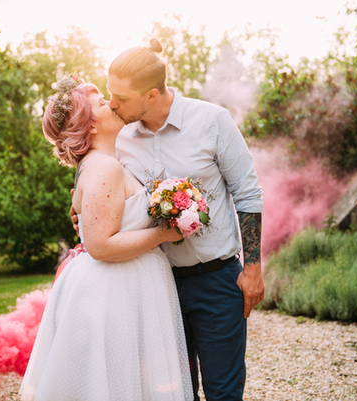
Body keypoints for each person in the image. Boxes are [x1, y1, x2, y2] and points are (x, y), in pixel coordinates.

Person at [73, 39, 264, 401]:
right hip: (155, 286)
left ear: (152, 94)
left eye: (121, 97)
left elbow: (248, 193)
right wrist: (81, 208)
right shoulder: (120, 137)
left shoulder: (213, 121)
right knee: (171, 393)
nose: (112, 104)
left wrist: (252, 266)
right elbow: (106, 192)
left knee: (224, 392)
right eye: (109, 95)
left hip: (216, 280)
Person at [19, 75, 194, 401]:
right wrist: (165, 233)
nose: (112, 103)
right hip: (115, 292)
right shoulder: (104, 168)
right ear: (92, 125)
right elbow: (100, 246)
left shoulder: (100, 164)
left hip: (119, 285)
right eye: (102, 103)